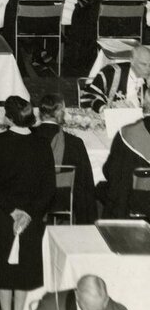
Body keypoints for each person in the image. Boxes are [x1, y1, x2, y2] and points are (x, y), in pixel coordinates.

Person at [0, 95, 55, 310]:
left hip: (2, 216)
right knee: (22, 269)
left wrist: (13, 211)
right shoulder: (42, 144)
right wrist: (29, 214)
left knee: (3, 269)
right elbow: (48, 188)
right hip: (31, 218)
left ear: (9, 118)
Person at [34, 93, 98, 223]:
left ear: (40, 113)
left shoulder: (27, 138)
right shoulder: (75, 143)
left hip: (31, 197)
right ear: (60, 113)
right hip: (61, 199)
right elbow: (86, 184)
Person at [100, 86, 150, 218]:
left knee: (106, 188)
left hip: (135, 203)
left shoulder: (127, 133)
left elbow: (109, 171)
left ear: (144, 102)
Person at [80, 42, 150, 111]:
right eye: (143, 64)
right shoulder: (111, 72)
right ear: (132, 61)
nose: (148, 68)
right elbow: (88, 97)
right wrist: (106, 109)